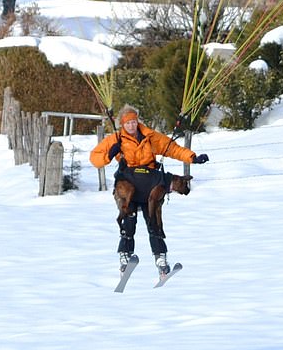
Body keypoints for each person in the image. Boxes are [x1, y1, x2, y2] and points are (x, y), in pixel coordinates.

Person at [90, 104, 209, 276]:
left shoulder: (150, 136)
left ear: (137, 121)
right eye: (127, 123)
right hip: (128, 184)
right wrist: (109, 155)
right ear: (122, 124)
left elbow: (173, 149)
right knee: (129, 217)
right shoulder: (115, 139)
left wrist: (193, 158)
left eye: (133, 122)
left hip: (150, 184)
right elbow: (95, 158)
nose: (131, 126)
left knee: (153, 219)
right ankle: (125, 254)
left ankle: (160, 257)